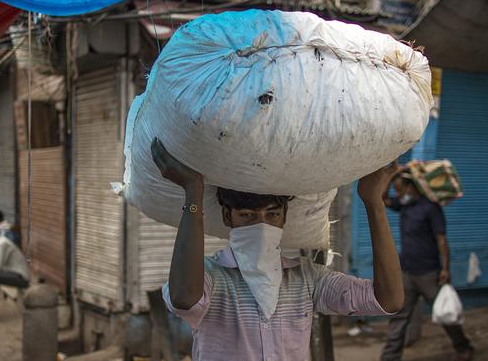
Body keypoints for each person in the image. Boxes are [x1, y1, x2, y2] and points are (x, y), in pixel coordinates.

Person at [150, 137, 404, 360]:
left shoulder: (308, 278)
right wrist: (193, 192)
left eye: (272, 215)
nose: (261, 225)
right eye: (247, 215)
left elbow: (388, 300)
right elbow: (184, 298)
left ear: (284, 218)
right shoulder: (209, 276)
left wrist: (373, 203)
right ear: (228, 217)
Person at [380, 171, 474, 361]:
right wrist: (392, 175)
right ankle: (389, 358)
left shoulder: (430, 208)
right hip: (407, 273)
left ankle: (463, 346)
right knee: (398, 318)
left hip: (429, 274)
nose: (398, 196)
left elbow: (441, 239)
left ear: (412, 186)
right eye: (396, 192)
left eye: (400, 190)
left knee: (445, 314)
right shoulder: (404, 205)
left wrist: (445, 268)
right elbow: (382, 198)